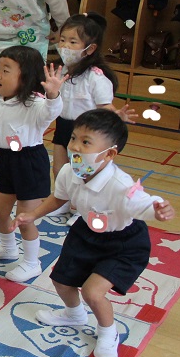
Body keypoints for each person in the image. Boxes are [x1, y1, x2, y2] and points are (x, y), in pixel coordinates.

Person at [12, 109, 175, 357]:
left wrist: (159, 209)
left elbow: (145, 203)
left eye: (86, 142)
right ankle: (74, 315)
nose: (75, 146)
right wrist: (33, 214)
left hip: (123, 243)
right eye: (73, 138)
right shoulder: (69, 171)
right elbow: (58, 198)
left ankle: (109, 333)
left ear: (109, 154)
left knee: (93, 292)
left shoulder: (120, 185)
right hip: (86, 233)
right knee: (61, 280)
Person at [0, 46, 65, 282]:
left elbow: (51, 112)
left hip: (30, 162)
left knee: (25, 218)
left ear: (25, 77)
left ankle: (32, 263)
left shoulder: (35, 103)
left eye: (6, 71)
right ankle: (8, 248)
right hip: (6, 159)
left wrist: (53, 95)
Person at [51, 14, 135, 214]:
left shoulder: (96, 77)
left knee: (83, 172)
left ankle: (81, 209)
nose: (65, 46)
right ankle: (63, 202)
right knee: (60, 169)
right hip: (63, 125)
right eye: (62, 40)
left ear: (90, 49)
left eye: (73, 42)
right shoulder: (61, 71)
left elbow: (105, 106)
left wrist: (117, 116)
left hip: (87, 132)